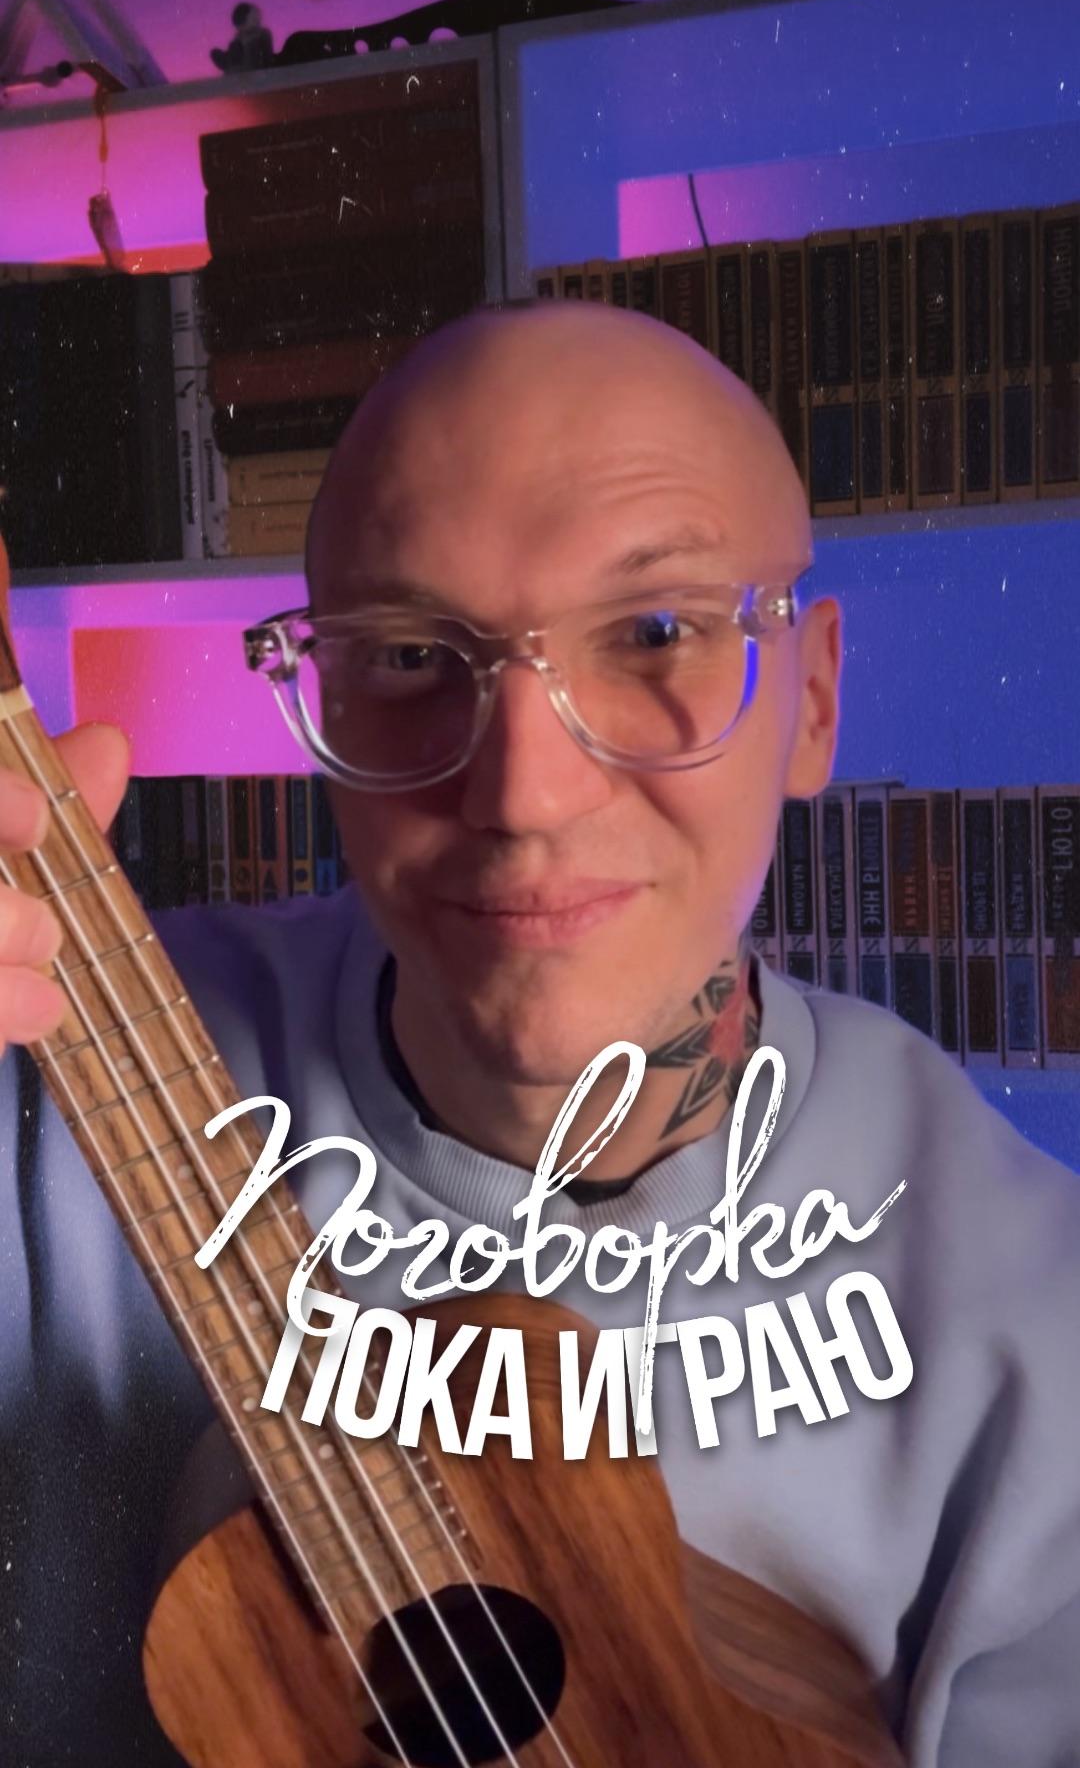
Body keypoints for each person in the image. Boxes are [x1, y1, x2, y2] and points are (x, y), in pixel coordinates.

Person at [2, 300, 1079, 1768]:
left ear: (815, 700)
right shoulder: (43, 1054)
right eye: (404, 653)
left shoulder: (1036, 1345)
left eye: (653, 634)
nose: (523, 793)